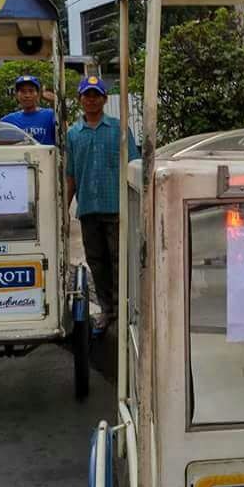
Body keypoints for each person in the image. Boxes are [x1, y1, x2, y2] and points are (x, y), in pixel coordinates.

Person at [65, 76, 139, 332]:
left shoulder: (119, 130)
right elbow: (71, 175)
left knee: (121, 261)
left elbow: (134, 168)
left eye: (96, 95)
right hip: (88, 210)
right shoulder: (73, 134)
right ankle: (107, 310)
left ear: (105, 99)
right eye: (87, 95)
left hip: (116, 208)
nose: (91, 100)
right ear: (80, 100)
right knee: (97, 262)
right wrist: (63, 210)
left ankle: (125, 310)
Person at [0, 75, 56, 144]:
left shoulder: (50, 115)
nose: (27, 95)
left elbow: (64, 133)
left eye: (31, 91)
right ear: (16, 95)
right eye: (23, 91)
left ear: (38, 94)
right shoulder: (9, 120)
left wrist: (55, 103)